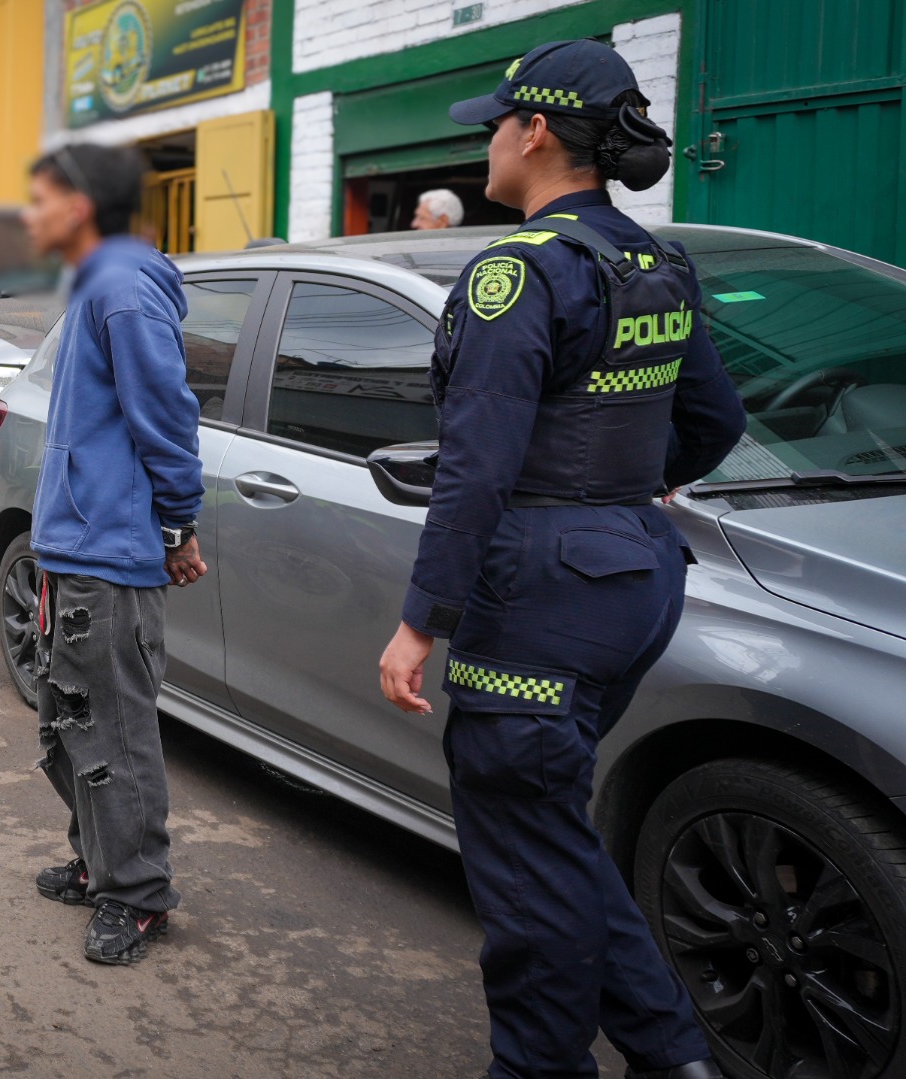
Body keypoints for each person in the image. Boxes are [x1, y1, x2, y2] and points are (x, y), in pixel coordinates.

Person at [377, 40, 746, 1079]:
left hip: (539, 589)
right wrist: (626, 487)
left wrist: (420, 620)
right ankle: (673, 1054)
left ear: (534, 132)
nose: (485, 142)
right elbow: (716, 418)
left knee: (524, 862)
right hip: (634, 571)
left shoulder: (517, 269)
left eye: (494, 123)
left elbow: (476, 469)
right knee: (548, 832)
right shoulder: (652, 260)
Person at [19, 143, 207, 965]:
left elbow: (165, 414)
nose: (29, 214)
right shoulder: (99, 282)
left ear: (84, 204)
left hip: (112, 554)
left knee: (117, 729)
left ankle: (138, 895)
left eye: (41, 198)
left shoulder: (126, 287)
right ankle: (100, 860)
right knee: (69, 720)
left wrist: (177, 525)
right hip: (73, 545)